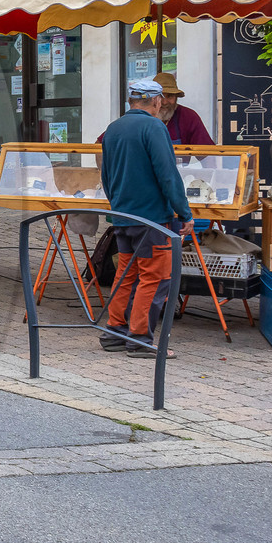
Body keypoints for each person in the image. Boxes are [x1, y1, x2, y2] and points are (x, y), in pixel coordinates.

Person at [98, 79, 194, 357]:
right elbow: (168, 174)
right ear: (156, 101)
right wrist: (184, 212)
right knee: (155, 277)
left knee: (125, 275)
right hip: (152, 218)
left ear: (131, 101)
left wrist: (117, 205)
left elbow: (106, 176)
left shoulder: (113, 129)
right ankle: (140, 339)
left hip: (122, 216)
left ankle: (114, 332)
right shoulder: (154, 127)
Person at [95, 73, 212, 146]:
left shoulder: (188, 117)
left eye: (170, 96)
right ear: (155, 100)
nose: (165, 102)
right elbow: (99, 145)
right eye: (162, 97)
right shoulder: (137, 119)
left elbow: (208, 154)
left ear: (176, 98)